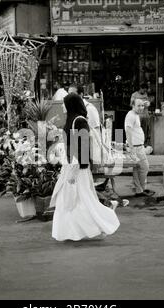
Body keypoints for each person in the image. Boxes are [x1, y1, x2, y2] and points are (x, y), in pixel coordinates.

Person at [50, 93, 120, 241]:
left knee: (81, 199)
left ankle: (102, 220)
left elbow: (83, 146)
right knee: (75, 199)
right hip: (71, 166)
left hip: (77, 168)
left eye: (64, 103)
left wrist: (75, 169)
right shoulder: (71, 120)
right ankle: (76, 230)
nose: (62, 106)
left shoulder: (79, 121)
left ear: (71, 105)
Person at [125, 98, 152, 197]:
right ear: (133, 106)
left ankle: (139, 189)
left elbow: (146, 104)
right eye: (138, 106)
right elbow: (128, 131)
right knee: (145, 167)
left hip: (138, 146)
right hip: (135, 147)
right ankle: (140, 188)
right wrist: (131, 148)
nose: (141, 108)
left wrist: (144, 104)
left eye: (142, 106)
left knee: (137, 168)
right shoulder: (131, 116)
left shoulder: (135, 114)